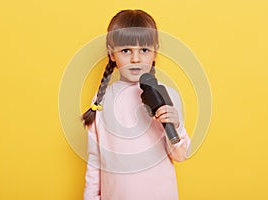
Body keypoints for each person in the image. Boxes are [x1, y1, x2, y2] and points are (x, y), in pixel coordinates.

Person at [81, 9, 191, 200]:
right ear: (111, 53)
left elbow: (180, 155)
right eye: (126, 50)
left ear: (155, 51)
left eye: (144, 50)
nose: (135, 59)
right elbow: (94, 160)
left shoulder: (168, 95)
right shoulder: (102, 99)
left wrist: (176, 127)